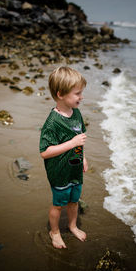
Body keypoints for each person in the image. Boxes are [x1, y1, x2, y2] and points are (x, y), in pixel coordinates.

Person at [40, 66, 88, 249]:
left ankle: (72, 225)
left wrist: (83, 157)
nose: (81, 97)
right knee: (58, 205)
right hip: (59, 172)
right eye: (77, 93)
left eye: (81, 92)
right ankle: (54, 232)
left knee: (74, 201)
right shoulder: (52, 122)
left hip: (75, 169)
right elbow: (45, 151)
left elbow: (80, 139)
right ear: (60, 94)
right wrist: (72, 143)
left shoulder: (76, 113)